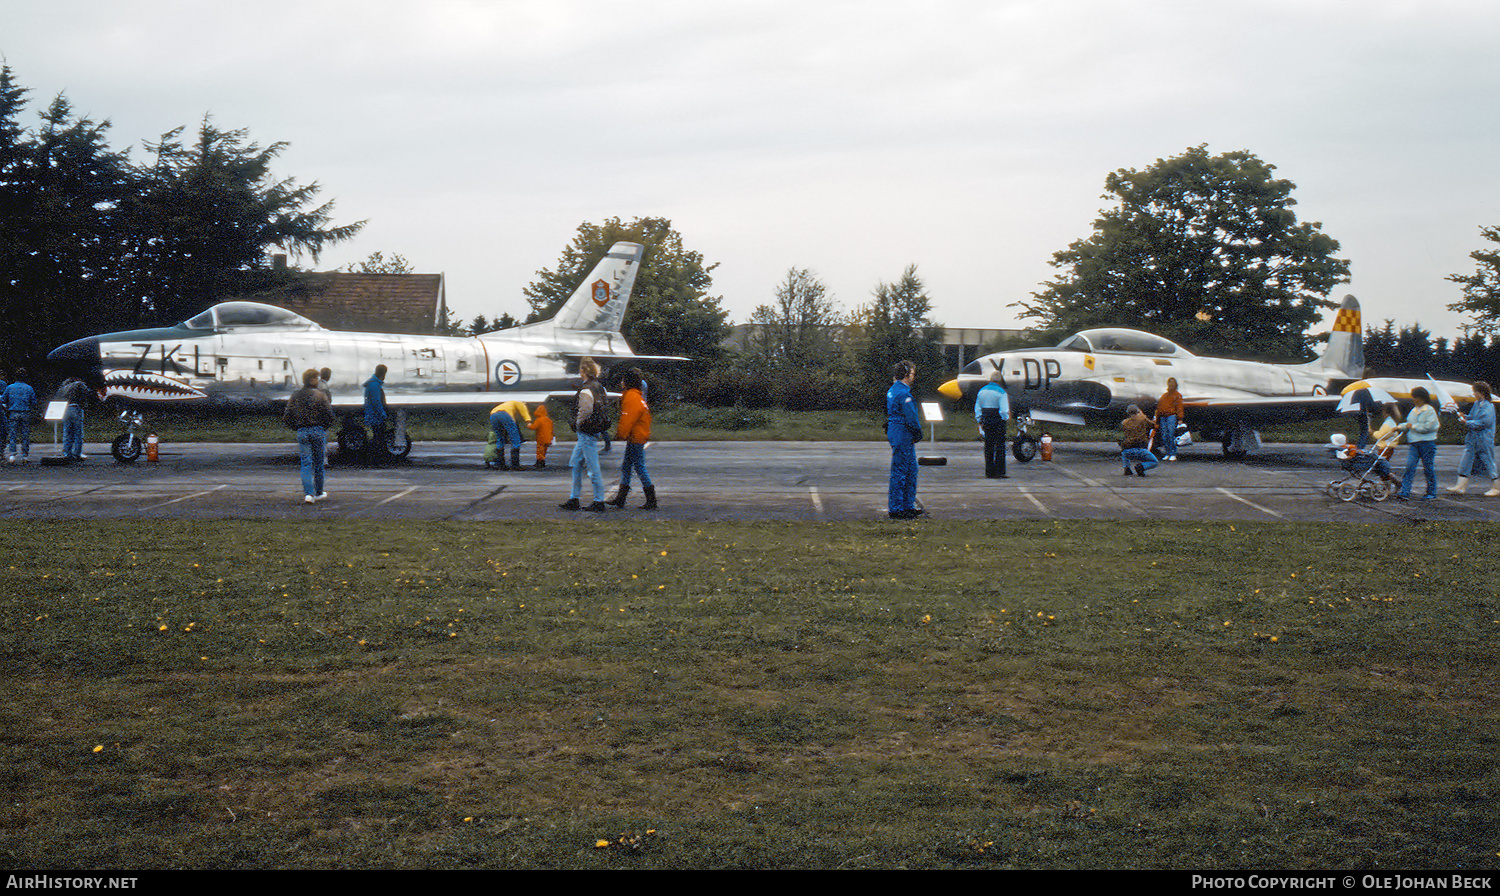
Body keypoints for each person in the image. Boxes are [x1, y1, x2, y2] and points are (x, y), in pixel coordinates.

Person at [559, 357, 610, 511]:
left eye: (580, 369)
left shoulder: (586, 389)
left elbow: (585, 411)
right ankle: (574, 498)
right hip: (592, 431)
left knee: (593, 468)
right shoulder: (599, 387)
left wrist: (578, 424)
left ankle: (599, 501)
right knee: (575, 463)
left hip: (586, 433)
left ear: (584, 371)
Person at [284, 368, 335, 504]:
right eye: (317, 378)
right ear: (312, 380)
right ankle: (319, 492)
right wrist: (324, 427)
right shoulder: (320, 395)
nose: (318, 380)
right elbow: (329, 415)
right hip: (317, 430)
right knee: (318, 463)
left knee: (306, 463)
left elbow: (287, 415)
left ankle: (308, 494)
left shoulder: (296, 395)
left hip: (302, 431)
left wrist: (296, 427)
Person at [609, 368, 655, 509]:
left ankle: (651, 499)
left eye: (623, 380)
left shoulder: (631, 396)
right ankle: (621, 498)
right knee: (627, 466)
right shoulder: (636, 395)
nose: (621, 382)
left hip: (636, 437)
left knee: (639, 466)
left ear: (627, 381)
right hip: (636, 436)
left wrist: (620, 434)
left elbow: (628, 419)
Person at [886, 360, 924, 519]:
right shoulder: (904, 394)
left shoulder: (893, 390)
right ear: (907, 374)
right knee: (903, 471)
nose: (913, 377)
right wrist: (918, 432)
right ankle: (897, 508)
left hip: (896, 430)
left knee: (909, 469)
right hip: (903, 433)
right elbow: (911, 417)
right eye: (912, 374)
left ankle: (906, 505)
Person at [1449, 381, 1498, 496]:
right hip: (1473, 439)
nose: (1473, 394)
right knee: (1466, 461)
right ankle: (1461, 486)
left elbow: (1483, 422)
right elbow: (1472, 417)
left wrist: (1467, 422)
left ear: (1480, 392)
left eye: (1474, 392)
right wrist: (1464, 417)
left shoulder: (1488, 406)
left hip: (1484, 440)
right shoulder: (1477, 404)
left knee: (1488, 462)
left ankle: (1496, 487)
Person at [1396, 386, 1440, 500]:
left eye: (1416, 397)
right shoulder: (1413, 411)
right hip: (1414, 443)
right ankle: (1405, 491)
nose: (1414, 399)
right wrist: (1400, 427)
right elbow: (1408, 424)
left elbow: (1430, 426)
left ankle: (1431, 492)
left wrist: (1413, 427)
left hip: (1427, 443)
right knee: (1410, 466)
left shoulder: (1429, 410)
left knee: (1428, 468)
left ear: (1422, 398)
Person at [974, 370, 1009, 479]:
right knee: (1000, 445)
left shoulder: (982, 391)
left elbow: (978, 408)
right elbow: (1003, 410)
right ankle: (999, 471)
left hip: (986, 419)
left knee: (988, 445)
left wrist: (980, 419)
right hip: (997, 420)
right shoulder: (1001, 392)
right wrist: (1005, 418)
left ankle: (989, 471)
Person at [4, 369, 37, 464]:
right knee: (25, 434)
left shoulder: (10, 387)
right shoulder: (29, 388)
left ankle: (12, 455)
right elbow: (33, 402)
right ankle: (25, 455)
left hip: (13, 412)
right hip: (25, 412)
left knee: (13, 433)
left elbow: (3, 400)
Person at [487, 399, 531, 470]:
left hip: (493, 415)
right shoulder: (519, 403)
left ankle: (500, 464)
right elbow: (524, 411)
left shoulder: (507, 404)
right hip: (504, 414)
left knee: (500, 438)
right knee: (515, 438)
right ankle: (515, 465)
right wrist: (528, 421)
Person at [56, 376, 93, 460]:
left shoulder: (65, 386)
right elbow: (87, 393)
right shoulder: (79, 384)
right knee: (78, 432)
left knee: (67, 432)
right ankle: (77, 453)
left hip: (66, 408)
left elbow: (59, 394)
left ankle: (66, 453)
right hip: (76, 408)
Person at [1118, 404, 1158, 477]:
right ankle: (1141, 467)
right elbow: (1153, 425)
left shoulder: (1124, 422)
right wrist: (1143, 415)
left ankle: (1127, 468)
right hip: (1140, 448)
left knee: (1124, 452)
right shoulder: (1143, 419)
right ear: (1137, 412)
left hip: (1128, 450)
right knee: (1154, 462)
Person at [1154, 377, 1185, 461]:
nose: (1171, 385)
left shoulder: (1177, 395)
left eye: (1172, 383)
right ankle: (1168, 452)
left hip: (1171, 416)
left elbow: (1179, 407)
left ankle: (1173, 453)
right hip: (1163, 417)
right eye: (1169, 383)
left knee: (1170, 435)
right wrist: (1157, 417)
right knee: (1164, 435)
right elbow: (1159, 407)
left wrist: (1180, 418)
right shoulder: (1164, 395)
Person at [363, 365, 389, 459]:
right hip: (375, 416)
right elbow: (376, 402)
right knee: (378, 437)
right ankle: (375, 457)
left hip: (373, 415)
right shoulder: (374, 385)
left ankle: (375, 456)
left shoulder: (373, 383)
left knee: (377, 436)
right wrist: (383, 414)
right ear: (383, 373)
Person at [528, 404, 554, 468]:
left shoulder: (539, 420)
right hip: (548, 438)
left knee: (540, 450)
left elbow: (534, 427)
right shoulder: (549, 420)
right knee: (544, 450)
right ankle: (543, 461)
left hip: (541, 438)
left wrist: (529, 425)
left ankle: (540, 462)